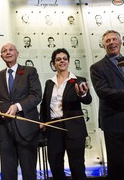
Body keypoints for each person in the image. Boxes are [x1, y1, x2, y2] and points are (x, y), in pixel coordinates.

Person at [40, 48, 92, 180]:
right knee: (56, 167)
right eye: (58, 59)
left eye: (64, 59)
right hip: (54, 128)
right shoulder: (49, 83)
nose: (62, 61)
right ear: (53, 63)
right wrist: (43, 121)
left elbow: (87, 100)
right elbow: (44, 105)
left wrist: (82, 94)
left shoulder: (78, 80)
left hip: (74, 128)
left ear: (68, 62)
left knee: (77, 167)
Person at [0, 43, 42, 180]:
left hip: (26, 129)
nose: (8, 52)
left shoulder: (29, 71)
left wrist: (18, 106)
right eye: (4, 51)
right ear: (1, 56)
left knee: (28, 171)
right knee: (7, 173)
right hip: (5, 130)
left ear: (17, 53)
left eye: (11, 50)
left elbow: (36, 95)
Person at [90, 30, 124, 180]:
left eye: (114, 39)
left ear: (120, 42)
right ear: (103, 45)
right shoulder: (97, 67)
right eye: (108, 40)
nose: (112, 42)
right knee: (118, 163)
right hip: (113, 121)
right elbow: (103, 92)